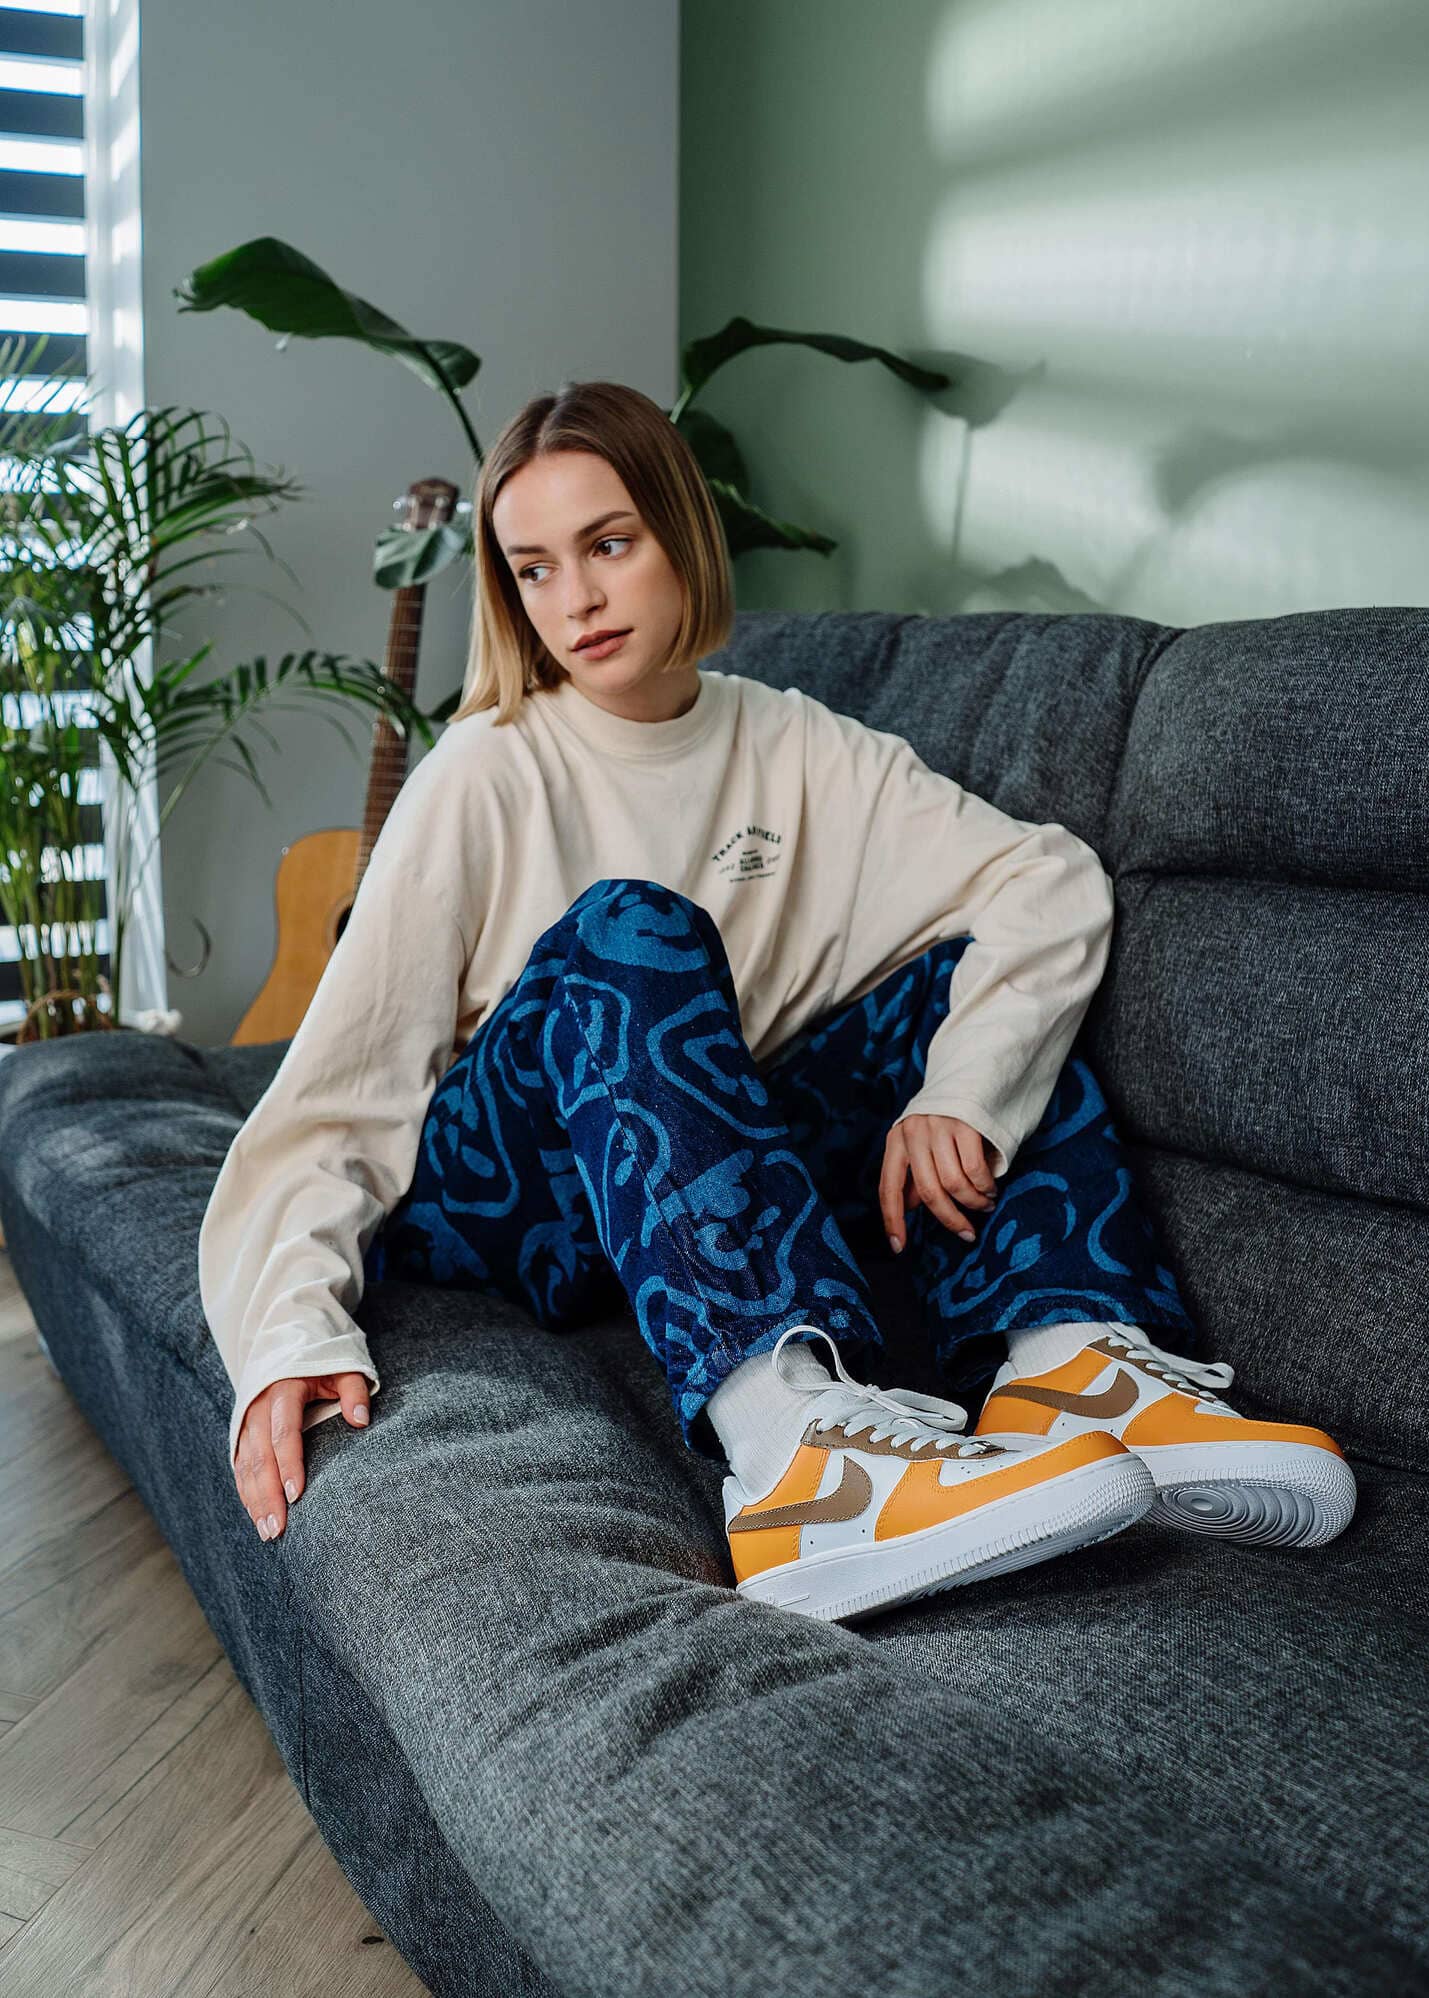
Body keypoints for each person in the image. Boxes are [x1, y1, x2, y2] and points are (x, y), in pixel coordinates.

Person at [199, 379, 1356, 1623]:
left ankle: (1071, 1367)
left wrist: (964, 1093)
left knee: (957, 997)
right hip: (521, 1195)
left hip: (709, 1171)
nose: (576, 599)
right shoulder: (487, 770)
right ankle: (796, 1459)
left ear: (680, 536)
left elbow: (1043, 876)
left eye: (608, 545)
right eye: (534, 570)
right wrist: (290, 1335)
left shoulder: (797, 741)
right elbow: (336, 1097)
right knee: (626, 925)